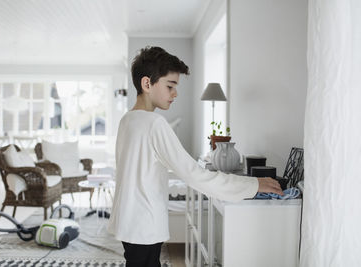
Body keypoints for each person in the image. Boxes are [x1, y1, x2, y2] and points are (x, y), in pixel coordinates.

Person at [107, 46, 283, 267]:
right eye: (170, 86)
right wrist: (253, 185)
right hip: (145, 224)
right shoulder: (154, 124)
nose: (175, 93)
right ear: (147, 84)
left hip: (129, 222)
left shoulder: (127, 120)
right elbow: (195, 175)